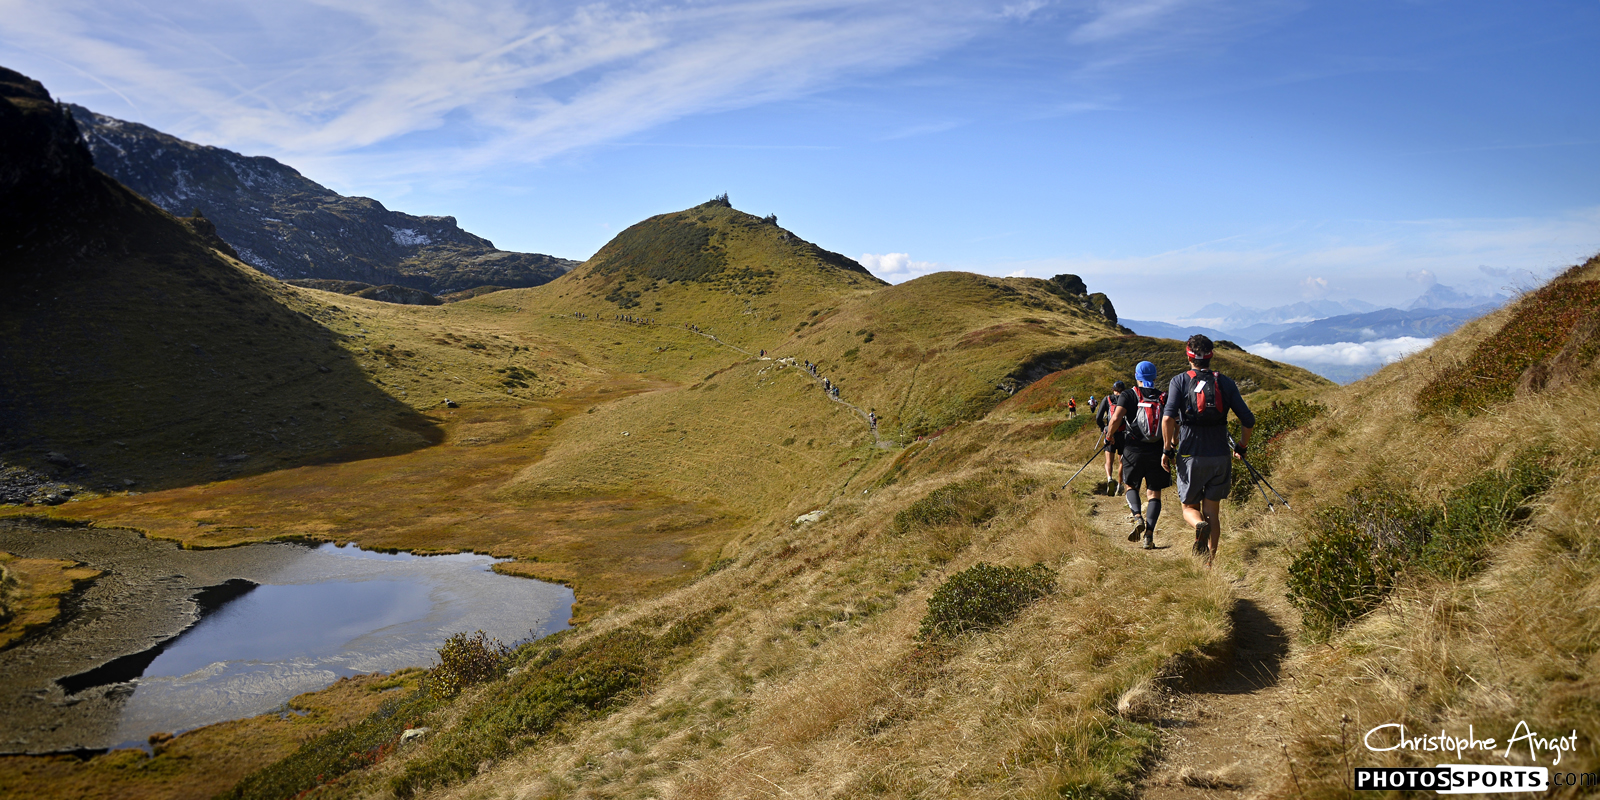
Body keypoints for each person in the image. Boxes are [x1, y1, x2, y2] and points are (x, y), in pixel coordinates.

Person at [1161, 335, 1254, 564]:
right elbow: (1248, 420)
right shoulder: (1226, 383)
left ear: (1188, 355)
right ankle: (1210, 563)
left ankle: (1197, 524)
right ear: (1211, 355)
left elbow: (1167, 419)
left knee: (1189, 507)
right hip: (1220, 455)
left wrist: (1167, 449)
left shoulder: (1179, 381)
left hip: (1190, 455)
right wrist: (1241, 446)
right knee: (1213, 510)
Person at [1104, 362, 1170, 549]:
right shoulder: (1163, 396)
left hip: (1132, 448)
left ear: (1136, 376)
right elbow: (1172, 421)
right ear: (1155, 377)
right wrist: (1170, 446)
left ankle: (1137, 517)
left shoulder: (1129, 395)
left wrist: (1109, 436)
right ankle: (1149, 535)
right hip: (1157, 451)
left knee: (1130, 484)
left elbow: (1116, 418)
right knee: (1153, 493)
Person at [1096, 382, 1128, 496]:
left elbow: (1098, 417)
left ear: (1113, 389)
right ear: (1123, 389)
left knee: (1108, 460)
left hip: (1110, 433)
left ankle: (1109, 478)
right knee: (1121, 462)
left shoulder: (1107, 399)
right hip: (1123, 434)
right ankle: (1119, 484)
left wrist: (1104, 428)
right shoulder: (1126, 399)